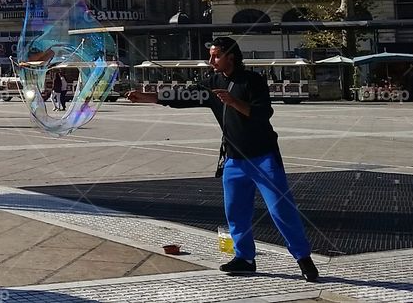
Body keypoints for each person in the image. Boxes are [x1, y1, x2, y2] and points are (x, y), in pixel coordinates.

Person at [126, 36, 319, 282]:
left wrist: (234, 102)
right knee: (235, 212)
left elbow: (263, 113)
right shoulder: (213, 82)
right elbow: (184, 95)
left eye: (216, 56)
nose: (211, 61)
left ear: (231, 56)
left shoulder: (252, 81)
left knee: (281, 209)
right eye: (211, 56)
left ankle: (304, 259)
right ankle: (245, 258)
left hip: (263, 158)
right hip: (234, 159)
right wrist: (150, 97)